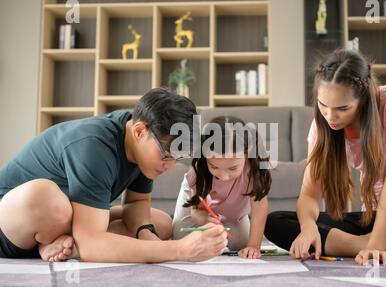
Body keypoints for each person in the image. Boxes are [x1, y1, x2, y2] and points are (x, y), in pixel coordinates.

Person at [0, 88, 228, 263]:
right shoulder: (94, 145)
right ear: (140, 131)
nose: (170, 165)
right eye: (167, 155)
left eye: (178, 157)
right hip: (12, 223)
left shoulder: (139, 144)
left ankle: (65, 245)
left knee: (160, 222)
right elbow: (91, 238)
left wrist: (144, 233)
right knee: (47, 198)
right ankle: (76, 245)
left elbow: (137, 203)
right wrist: (180, 250)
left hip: (68, 216)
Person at [265, 50, 386, 266]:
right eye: (323, 105)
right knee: (276, 221)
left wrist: (376, 246)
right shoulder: (321, 127)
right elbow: (309, 196)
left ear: (363, 100)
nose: (330, 117)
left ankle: (380, 243)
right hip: (375, 219)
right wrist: (308, 229)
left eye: (342, 108)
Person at [172, 116, 272, 259]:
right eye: (214, 166)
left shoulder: (254, 170)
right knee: (181, 239)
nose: (224, 177)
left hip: (233, 210)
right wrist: (205, 221)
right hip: (199, 207)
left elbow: (260, 208)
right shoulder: (199, 171)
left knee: (242, 244)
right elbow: (198, 209)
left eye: (232, 168)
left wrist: (254, 245)